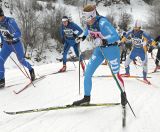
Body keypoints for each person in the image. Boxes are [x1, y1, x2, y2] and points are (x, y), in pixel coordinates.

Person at [72, 5, 127, 107]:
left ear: (92, 16)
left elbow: (115, 36)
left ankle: (123, 95)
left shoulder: (103, 23)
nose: (85, 20)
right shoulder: (89, 23)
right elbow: (87, 31)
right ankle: (86, 98)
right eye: (84, 18)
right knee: (88, 73)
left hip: (112, 50)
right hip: (100, 50)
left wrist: (103, 40)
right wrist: (81, 37)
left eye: (86, 18)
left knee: (115, 75)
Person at [0, 8, 35, 88]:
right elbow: (1, 34)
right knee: (0, 61)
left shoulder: (10, 21)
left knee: (21, 60)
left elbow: (19, 33)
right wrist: (2, 42)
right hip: (6, 45)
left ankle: (31, 70)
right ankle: (1, 80)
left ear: (2, 15)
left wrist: (12, 36)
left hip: (16, 44)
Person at [121, 20, 153, 84]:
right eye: (134, 28)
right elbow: (125, 36)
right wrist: (121, 42)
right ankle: (127, 73)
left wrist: (154, 44)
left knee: (145, 66)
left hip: (142, 52)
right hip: (134, 51)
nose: (135, 30)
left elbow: (150, 39)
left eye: (137, 28)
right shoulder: (131, 32)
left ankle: (145, 78)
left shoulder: (143, 33)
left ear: (140, 28)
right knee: (126, 63)